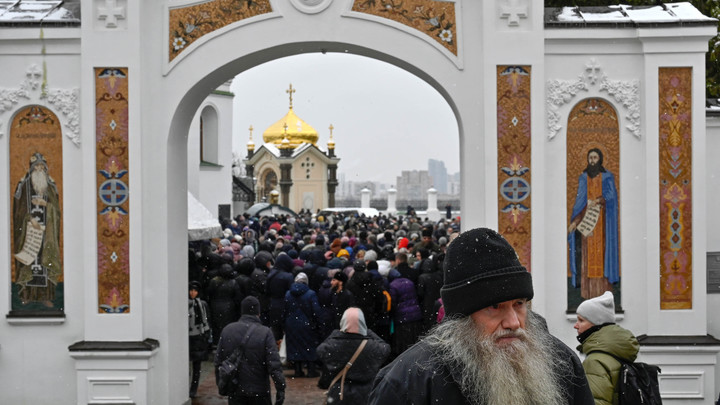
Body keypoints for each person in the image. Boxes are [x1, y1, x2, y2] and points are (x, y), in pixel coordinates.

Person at [369, 227, 594, 405]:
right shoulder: (410, 382)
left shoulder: (561, 363)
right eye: (495, 307)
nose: (514, 322)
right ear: (462, 317)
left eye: (519, 304)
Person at [568, 148, 619, 300]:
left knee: (601, 257)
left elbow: (611, 196)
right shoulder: (583, 178)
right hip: (587, 224)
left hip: (603, 225)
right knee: (587, 258)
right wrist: (575, 221)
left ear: (600, 159)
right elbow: (580, 203)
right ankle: (587, 293)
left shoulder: (607, 177)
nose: (592, 160)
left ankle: (604, 293)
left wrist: (599, 200)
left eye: (595, 157)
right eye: (590, 157)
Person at [215, 296, 286, 405]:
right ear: (258, 312)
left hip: (235, 389)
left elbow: (219, 360)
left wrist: (222, 383)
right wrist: (280, 388)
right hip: (260, 390)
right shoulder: (265, 332)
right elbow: (274, 364)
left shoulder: (227, 330)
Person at [12, 152, 62, 308]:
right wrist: (29, 219)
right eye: (36, 167)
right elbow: (18, 211)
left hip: (46, 233)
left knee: (44, 261)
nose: (39, 169)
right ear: (31, 169)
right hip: (29, 233)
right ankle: (26, 295)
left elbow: (56, 211)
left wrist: (46, 205)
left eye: (42, 167)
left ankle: (46, 297)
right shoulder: (24, 186)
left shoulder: (50, 187)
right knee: (30, 261)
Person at [574, 291, 639, 405]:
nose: (576, 325)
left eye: (581, 320)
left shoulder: (595, 362)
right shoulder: (618, 352)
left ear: (596, 324)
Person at [317, 307, 391, 405]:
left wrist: (337, 332)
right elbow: (385, 348)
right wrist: (368, 332)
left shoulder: (334, 345)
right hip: (366, 394)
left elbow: (321, 350)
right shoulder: (372, 346)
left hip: (340, 394)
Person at [282, 272, 322, 378]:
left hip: (291, 324)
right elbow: (316, 310)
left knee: (294, 346)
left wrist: (284, 324)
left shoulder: (288, 294)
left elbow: (284, 311)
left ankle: (298, 370)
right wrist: (318, 322)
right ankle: (311, 370)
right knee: (309, 346)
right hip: (306, 324)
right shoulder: (311, 294)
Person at [188, 281, 211, 398]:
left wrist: (206, 334)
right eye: (191, 290)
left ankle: (193, 389)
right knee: (189, 365)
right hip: (188, 337)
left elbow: (206, 320)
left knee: (197, 365)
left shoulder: (202, 305)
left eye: (195, 290)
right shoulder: (186, 305)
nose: (193, 293)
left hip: (198, 336)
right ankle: (187, 388)